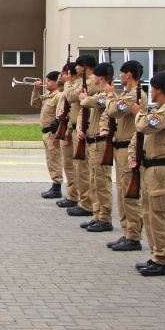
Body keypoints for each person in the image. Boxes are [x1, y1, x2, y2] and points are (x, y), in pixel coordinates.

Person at [131, 72, 165, 276]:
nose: (150, 92)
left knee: (159, 215)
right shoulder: (159, 109)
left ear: (159, 89)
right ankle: (156, 255)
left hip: (162, 168)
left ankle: (163, 258)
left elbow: (144, 126)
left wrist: (139, 113)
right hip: (151, 167)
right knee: (148, 214)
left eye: (152, 88)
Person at [104, 61, 145, 251]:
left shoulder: (135, 96)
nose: (119, 77)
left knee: (130, 194)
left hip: (129, 147)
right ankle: (127, 232)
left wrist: (111, 95)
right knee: (122, 193)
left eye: (121, 74)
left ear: (128, 74)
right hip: (120, 147)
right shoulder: (127, 95)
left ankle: (134, 235)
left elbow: (113, 111)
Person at [79, 62, 116, 232]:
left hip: (101, 144)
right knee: (94, 180)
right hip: (93, 141)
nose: (92, 77)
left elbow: (92, 101)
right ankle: (97, 214)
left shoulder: (106, 95)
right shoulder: (102, 94)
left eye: (95, 75)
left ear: (100, 77)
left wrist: (84, 99)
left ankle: (105, 217)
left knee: (101, 181)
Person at [66, 55, 97, 218]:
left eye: (77, 66)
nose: (75, 69)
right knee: (79, 168)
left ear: (84, 68)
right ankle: (82, 201)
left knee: (83, 169)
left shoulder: (91, 83)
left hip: (87, 131)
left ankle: (86, 203)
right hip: (77, 128)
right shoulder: (84, 82)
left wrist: (68, 82)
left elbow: (72, 97)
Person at [33, 71, 63, 199]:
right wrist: (36, 90)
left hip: (53, 132)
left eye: (50, 81)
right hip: (46, 132)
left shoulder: (59, 96)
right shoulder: (49, 96)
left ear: (56, 82)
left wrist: (57, 135)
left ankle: (57, 187)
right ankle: (54, 184)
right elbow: (35, 103)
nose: (47, 83)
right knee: (50, 160)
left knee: (55, 160)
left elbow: (60, 117)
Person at [55, 64, 80, 208]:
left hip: (71, 128)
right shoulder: (67, 85)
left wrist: (68, 81)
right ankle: (72, 194)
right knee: (68, 165)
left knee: (74, 167)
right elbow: (60, 86)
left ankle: (75, 196)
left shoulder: (76, 86)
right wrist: (64, 77)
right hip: (66, 127)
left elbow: (71, 98)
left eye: (64, 73)